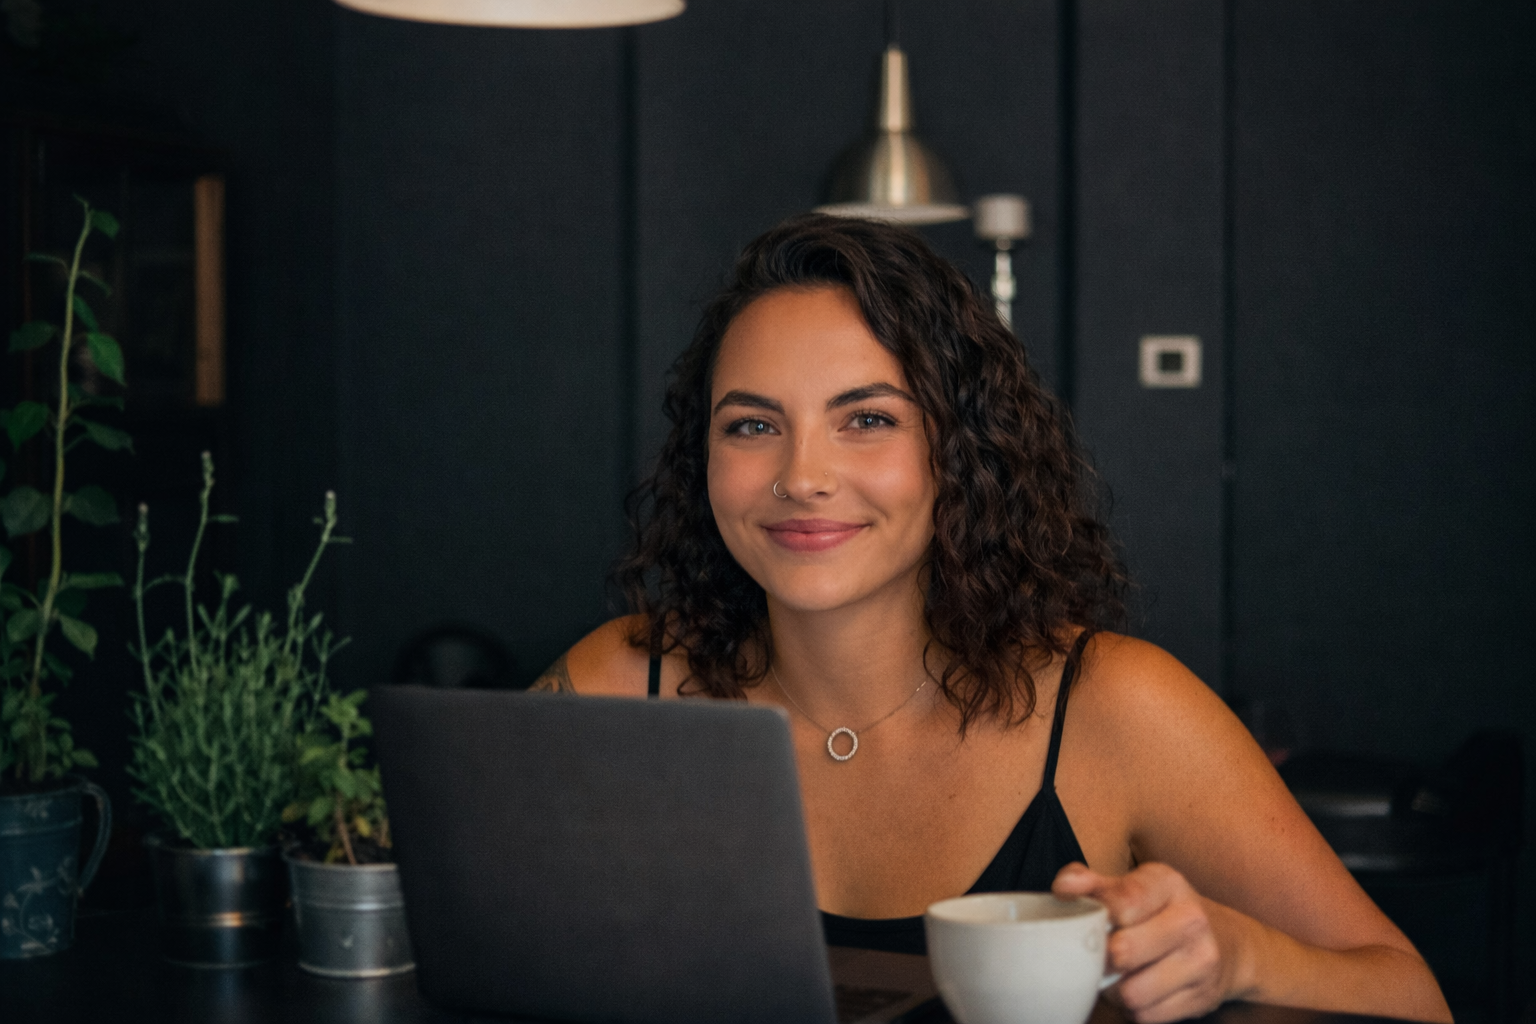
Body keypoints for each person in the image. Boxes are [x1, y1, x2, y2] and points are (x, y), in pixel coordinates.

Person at [532, 214, 1450, 1024]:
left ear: (957, 453)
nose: (802, 475)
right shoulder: (618, 684)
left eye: (868, 419)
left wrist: (1242, 959)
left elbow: (1414, 998)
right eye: (752, 425)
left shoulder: (1118, 706)